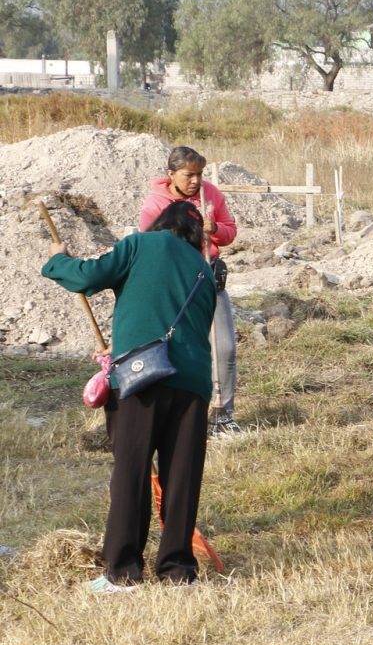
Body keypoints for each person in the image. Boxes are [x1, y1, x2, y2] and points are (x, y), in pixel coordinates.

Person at [42, 202, 217, 590]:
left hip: (142, 380)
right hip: (193, 383)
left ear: (161, 224)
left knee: (132, 473)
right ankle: (178, 572)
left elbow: (87, 276)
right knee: (182, 477)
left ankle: (122, 573)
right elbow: (188, 327)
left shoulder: (141, 244)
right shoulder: (203, 270)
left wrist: (58, 260)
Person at [138, 145, 240, 436]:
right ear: (171, 174)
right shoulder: (155, 204)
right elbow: (150, 247)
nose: (196, 181)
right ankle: (174, 415)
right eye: (188, 175)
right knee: (176, 350)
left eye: (200, 174)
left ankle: (222, 415)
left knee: (224, 348)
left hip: (209, 280)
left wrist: (215, 229)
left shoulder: (211, 195)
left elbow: (230, 232)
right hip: (175, 287)